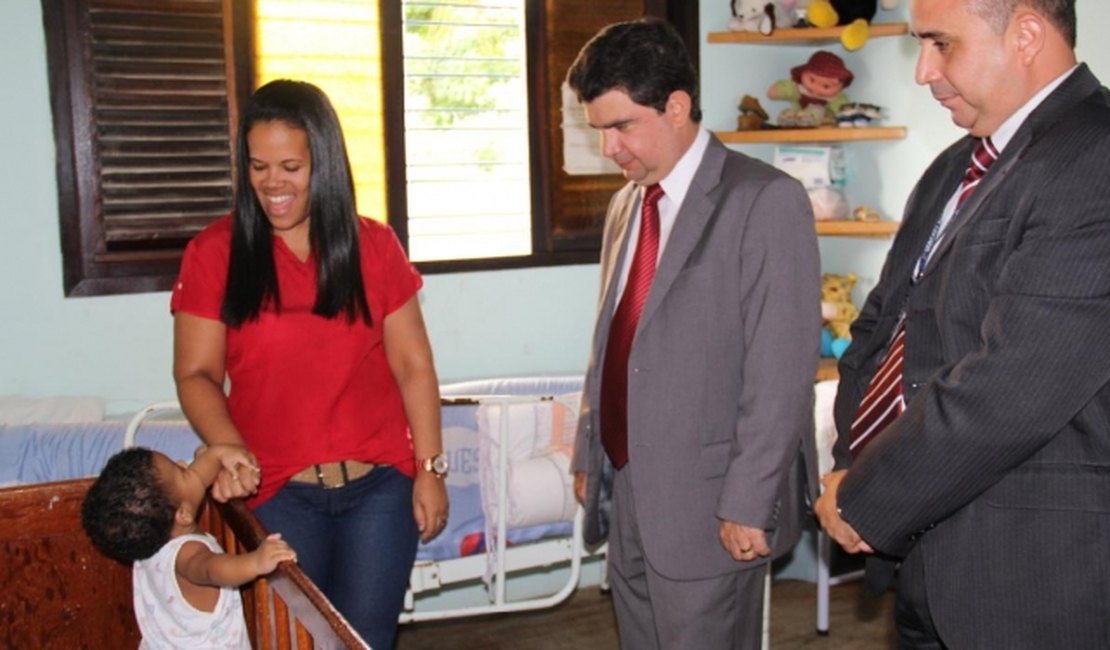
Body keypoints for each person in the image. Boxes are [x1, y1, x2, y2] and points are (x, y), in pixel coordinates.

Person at [815, 1, 1110, 647]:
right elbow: (882, 328)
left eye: (941, 44)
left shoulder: (1097, 157)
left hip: (1034, 574)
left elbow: (1015, 385)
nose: (923, 71)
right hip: (926, 554)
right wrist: (852, 465)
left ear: (1025, 35)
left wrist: (868, 495)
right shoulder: (957, 165)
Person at [567, 19, 821, 649]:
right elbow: (611, 343)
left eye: (622, 126)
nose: (609, 148)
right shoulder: (629, 204)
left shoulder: (764, 201)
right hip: (629, 487)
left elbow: (781, 371)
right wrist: (589, 451)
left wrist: (749, 500)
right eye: (598, 130)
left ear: (676, 106)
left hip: (712, 502)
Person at [170, 79, 448, 649]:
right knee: (297, 642)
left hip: (380, 490)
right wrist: (228, 447)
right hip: (277, 492)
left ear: (324, 164)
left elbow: (414, 365)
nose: (273, 183)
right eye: (258, 167)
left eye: (291, 167)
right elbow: (196, 374)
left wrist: (430, 468)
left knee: (364, 641)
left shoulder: (374, 245)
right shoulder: (215, 253)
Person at [81, 445, 297, 649]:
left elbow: (198, 476)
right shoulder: (187, 553)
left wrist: (220, 454)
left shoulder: (145, 544)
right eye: (181, 471)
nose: (185, 463)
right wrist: (256, 562)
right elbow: (211, 569)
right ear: (183, 515)